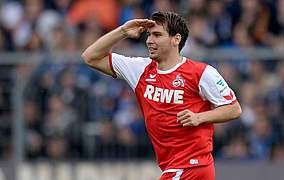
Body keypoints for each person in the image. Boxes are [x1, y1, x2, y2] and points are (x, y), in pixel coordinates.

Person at [82, 11, 242, 180]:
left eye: (157, 35)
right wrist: (122, 31)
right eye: (149, 35)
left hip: (191, 166)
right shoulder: (140, 69)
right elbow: (90, 57)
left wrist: (199, 117)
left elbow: (234, 108)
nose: (149, 40)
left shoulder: (201, 73)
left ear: (176, 39)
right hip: (174, 167)